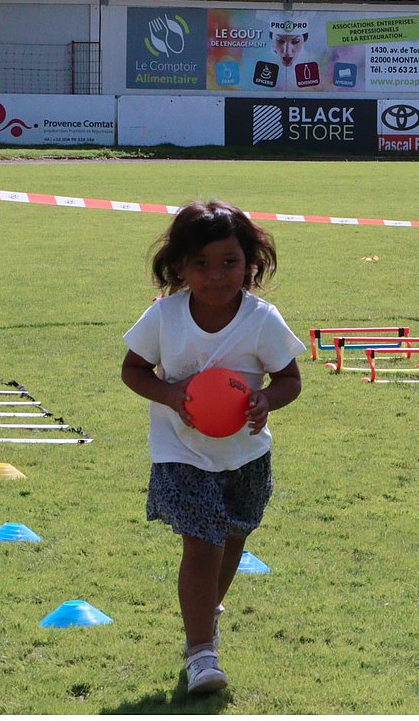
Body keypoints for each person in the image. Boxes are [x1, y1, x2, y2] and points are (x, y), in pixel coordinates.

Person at [121, 201, 304, 695]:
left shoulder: (262, 320)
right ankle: (202, 653)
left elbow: (289, 380)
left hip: (244, 454)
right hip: (181, 452)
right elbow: (133, 370)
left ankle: (206, 611)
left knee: (234, 537)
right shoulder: (165, 316)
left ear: (250, 263)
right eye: (201, 263)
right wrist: (170, 395)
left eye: (229, 262)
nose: (216, 275)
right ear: (179, 266)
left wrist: (267, 399)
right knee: (202, 545)